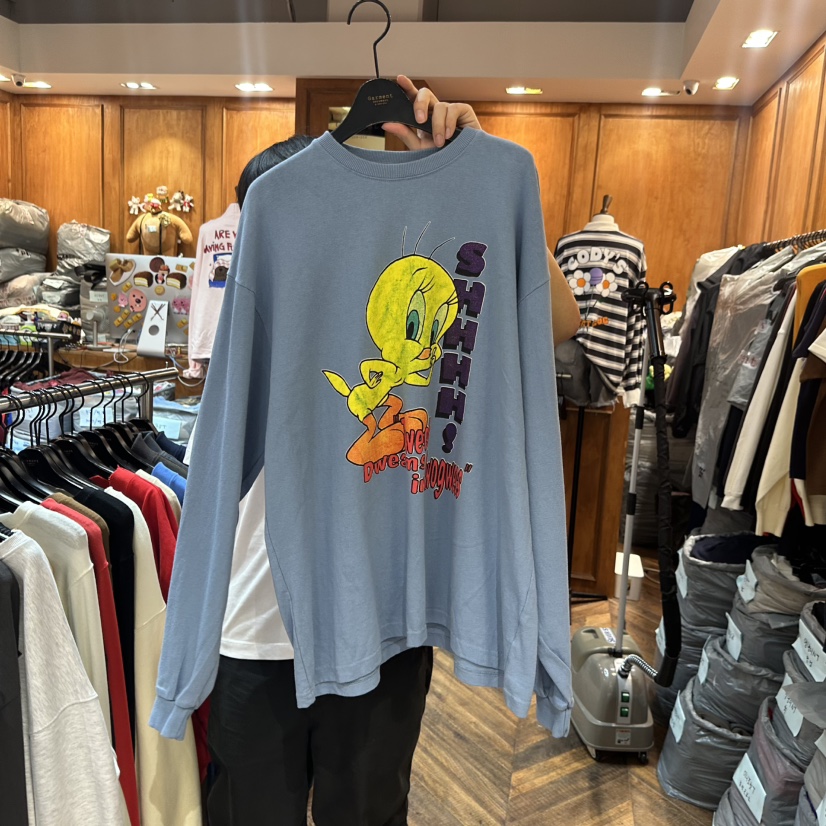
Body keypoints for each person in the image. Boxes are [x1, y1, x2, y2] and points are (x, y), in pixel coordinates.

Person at [202, 80, 580, 826]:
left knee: (371, 811)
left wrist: (486, 190)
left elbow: (558, 320)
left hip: (383, 619)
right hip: (256, 630)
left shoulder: (398, 293)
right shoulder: (259, 279)